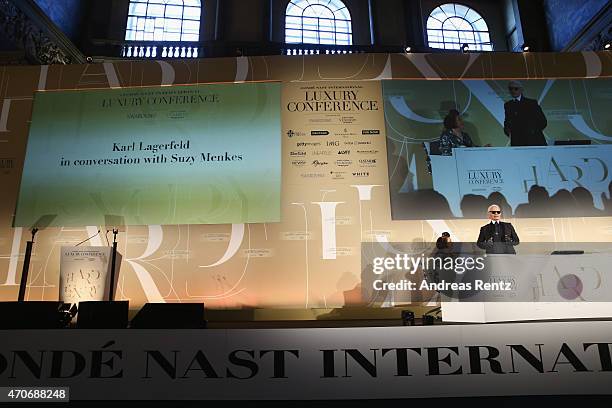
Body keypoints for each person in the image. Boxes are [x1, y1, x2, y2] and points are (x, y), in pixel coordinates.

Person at [503, 80, 548, 146]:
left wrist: (533, 132)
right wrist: (508, 131)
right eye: (510, 89)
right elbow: (507, 121)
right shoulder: (508, 105)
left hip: (534, 141)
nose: (513, 91)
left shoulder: (531, 103)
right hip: (517, 142)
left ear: (521, 90)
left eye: (516, 88)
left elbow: (543, 121)